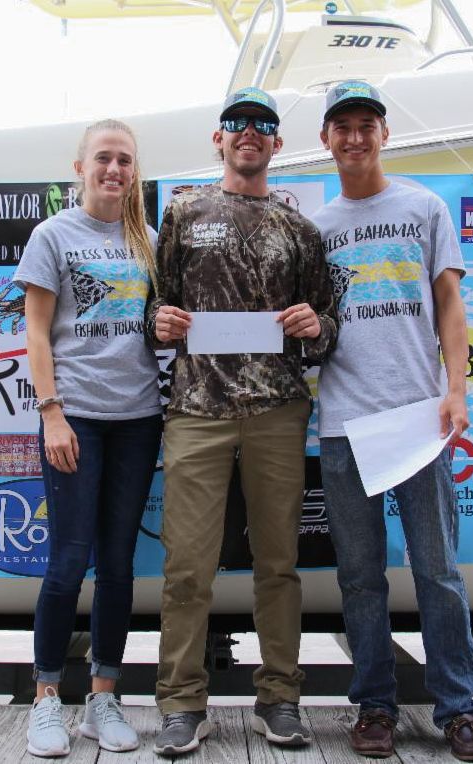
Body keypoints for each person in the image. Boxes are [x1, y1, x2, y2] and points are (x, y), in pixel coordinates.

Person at [148, 87, 337, 756]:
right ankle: (181, 703)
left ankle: (280, 698)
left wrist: (316, 325)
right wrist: (159, 322)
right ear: (219, 138)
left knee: (278, 563)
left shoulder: (299, 230)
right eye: (237, 122)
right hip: (195, 413)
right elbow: (154, 310)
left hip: (277, 413)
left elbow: (327, 324)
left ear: (277, 143)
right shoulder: (182, 212)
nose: (248, 132)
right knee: (186, 566)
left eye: (262, 124)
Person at [313, 81, 473, 762]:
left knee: (438, 570)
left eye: (367, 124)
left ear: (384, 134)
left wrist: (456, 391)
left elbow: (450, 305)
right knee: (360, 579)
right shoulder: (316, 229)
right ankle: (374, 707)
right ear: (326, 140)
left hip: (420, 418)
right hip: (343, 426)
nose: (355, 137)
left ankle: (460, 708)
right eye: (342, 127)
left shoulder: (424, 206)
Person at [13, 119, 163, 757]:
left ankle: (103, 698)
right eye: (103, 158)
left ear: (135, 171)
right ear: (80, 167)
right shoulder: (52, 235)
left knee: (119, 564)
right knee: (69, 561)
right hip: (74, 419)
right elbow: (36, 331)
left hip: (139, 419)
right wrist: (52, 414)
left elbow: (157, 326)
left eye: (125, 160)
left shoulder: (151, 241)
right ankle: (47, 698)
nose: (114, 169)